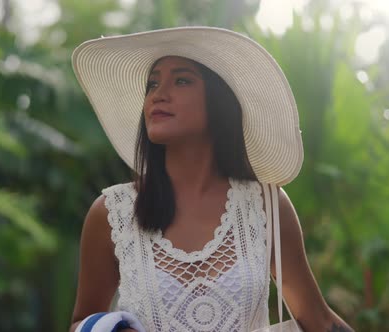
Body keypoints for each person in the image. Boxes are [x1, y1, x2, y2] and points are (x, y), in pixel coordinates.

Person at [68, 27, 353, 332]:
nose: (158, 94)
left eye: (181, 80)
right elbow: (79, 324)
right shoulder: (112, 213)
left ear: (219, 101)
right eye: (152, 84)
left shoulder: (266, 205)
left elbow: (319, 321)